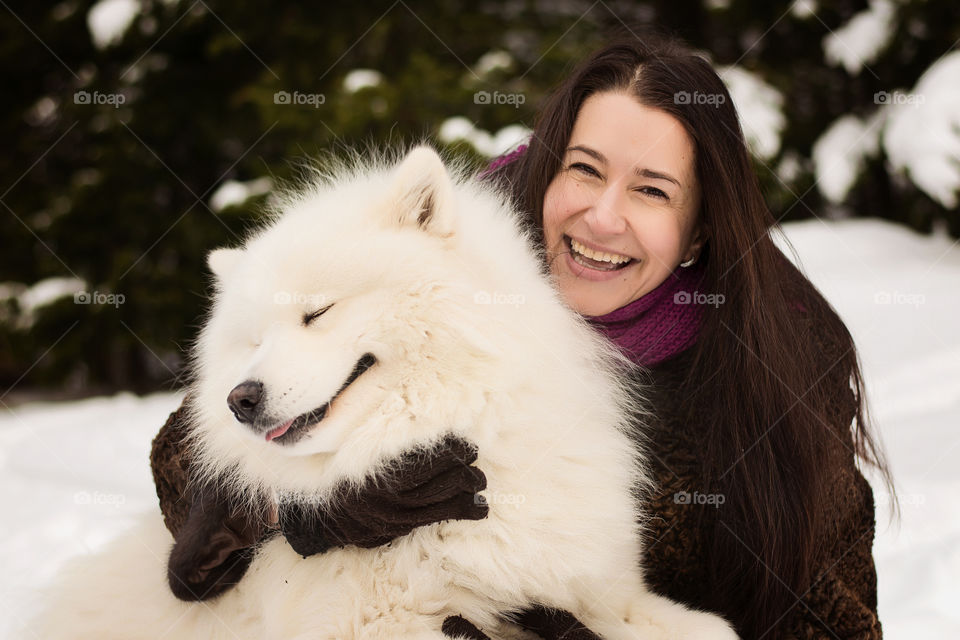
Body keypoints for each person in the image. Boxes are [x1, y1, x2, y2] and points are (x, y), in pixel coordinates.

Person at [151, 30, 893, 639]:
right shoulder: (449, 242)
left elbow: (831, 624)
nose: (602, 217)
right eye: (584, 170)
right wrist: (295, 508)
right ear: (548, 170)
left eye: (651, 191)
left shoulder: (781, 364)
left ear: (699, 230)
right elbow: (197, 440)